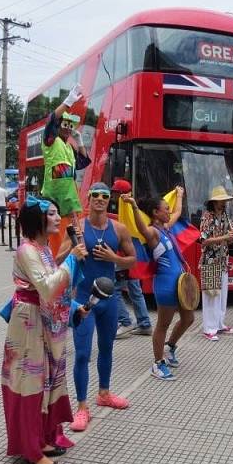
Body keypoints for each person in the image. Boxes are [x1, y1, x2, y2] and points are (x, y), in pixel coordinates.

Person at [1, 196, 87, 464]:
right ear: (37, 219)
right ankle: (31, 449)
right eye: (51, 213)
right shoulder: (27, 250)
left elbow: (54, 288)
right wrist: (71, 260)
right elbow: (48, 288)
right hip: (28, 322)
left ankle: (43, 438)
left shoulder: (44, 249)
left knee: (47, 379)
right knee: (31, 382)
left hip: (44, 320)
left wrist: (74, 308)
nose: (56, 218)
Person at [69, 183, 137, 432]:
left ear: (110, 199)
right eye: (95, 195)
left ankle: (104, 394)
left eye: (104, 195)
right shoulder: (78, 228)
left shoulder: (119, 229)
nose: (100, 199)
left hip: (109, 298)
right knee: (83, 354)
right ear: (88, 199)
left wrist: (114, 259)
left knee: (107, 348)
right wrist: (73, 253)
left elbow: (132, 259)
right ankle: (82, 407)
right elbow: (57, 260)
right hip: (84, 298)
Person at [122, 188, 194, 381]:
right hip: (165, 285)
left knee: (189, 319)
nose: (169, 211)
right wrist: (134, 206)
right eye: (165, 209)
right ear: (155, 212)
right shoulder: (153, 232)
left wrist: (179, 195)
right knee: (163, 324)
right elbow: (141, 228)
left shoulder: (166, 228)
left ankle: (170, 348)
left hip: (179, 282)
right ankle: (158, 363)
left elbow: (178, 212)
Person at [41, 84, 91, 230]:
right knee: (52, 236)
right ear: (59, 126)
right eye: (65, 124)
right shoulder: (51, 141)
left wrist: (80, 141)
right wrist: (68, 102)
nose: (69, 128)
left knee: (74, 236)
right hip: (53, 199)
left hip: (70, 201)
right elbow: (51, 120)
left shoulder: (69, 148)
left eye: (71, 125)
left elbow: (83, 162)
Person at [110, 179, 152, 339]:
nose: (113, 195)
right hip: (136, 256)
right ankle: (145, 324)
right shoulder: (131, 208)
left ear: (121, 194)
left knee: (115, 289)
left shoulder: (125, 206)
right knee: (135, 290)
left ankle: (125, 322)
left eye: (115, 192)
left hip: (126, 255)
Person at [199, 185, 233, 341]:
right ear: (214, 202)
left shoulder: (224, 216)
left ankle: (219, 323)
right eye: (221, 201)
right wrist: (225, 237)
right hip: (210, 260)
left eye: (225, 201)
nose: (224, 203)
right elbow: (204, 241)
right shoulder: (207, 217)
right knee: (210, 294)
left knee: (222, 294)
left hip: (223, 260)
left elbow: (229, 237)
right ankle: (209, 328)